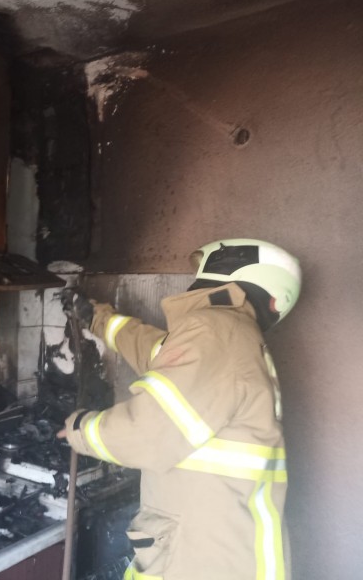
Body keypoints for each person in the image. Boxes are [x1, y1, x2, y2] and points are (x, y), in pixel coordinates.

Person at [58, 239, 301, 580]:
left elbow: (146, 434)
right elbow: (153, 349)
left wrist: (82, 428)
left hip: (205, 559)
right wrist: (97, 318)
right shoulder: (230, 337)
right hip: (225, 550)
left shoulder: (216, 331)